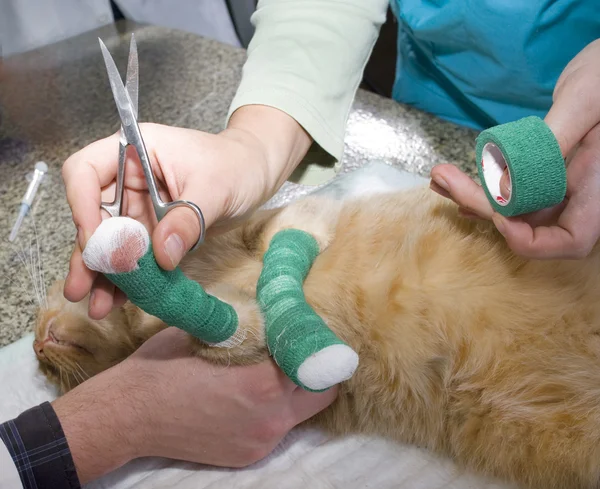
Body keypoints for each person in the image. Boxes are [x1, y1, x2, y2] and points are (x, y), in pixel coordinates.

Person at [2, 1, 599, 487]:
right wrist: (254, 147)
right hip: (451, 133)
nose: (41, 347)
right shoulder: (165, 300)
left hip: (532, 163)